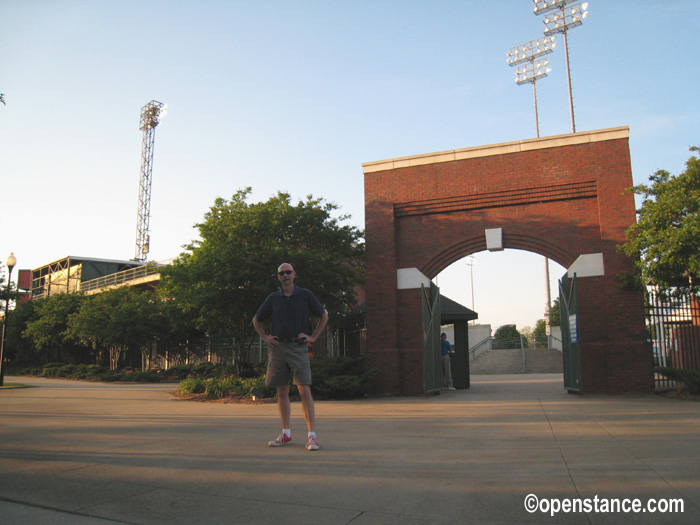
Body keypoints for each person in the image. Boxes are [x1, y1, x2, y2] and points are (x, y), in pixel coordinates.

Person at [253, 263, 329, 451]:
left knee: (304, 388)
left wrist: (313, 337)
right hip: (278, 348)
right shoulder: (273, 298)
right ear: (278, 277)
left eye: (288, 272)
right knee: (282, 391)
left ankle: (312, 437)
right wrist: (265, 337)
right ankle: (286, 434)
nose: (285, 275)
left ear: (294, 274)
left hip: (298, 347)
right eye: (282, 273)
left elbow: (323, 316)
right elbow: (257, 319)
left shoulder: (305, 295)